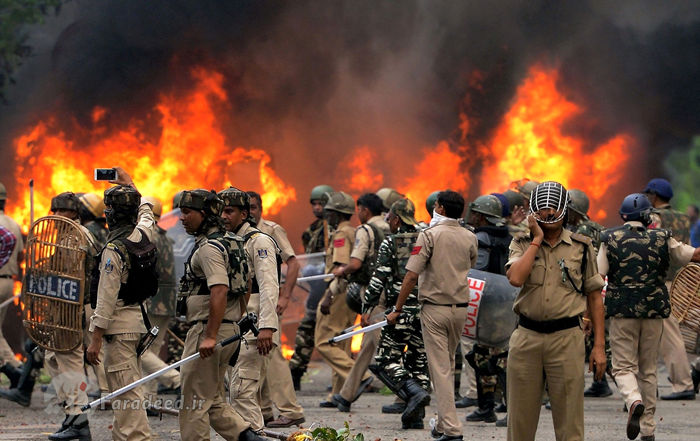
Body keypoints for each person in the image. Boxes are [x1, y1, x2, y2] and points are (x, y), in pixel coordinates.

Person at [505, 181, 606, 441]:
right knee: (520, 425)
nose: (548, 214)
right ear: (533, 211)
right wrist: (536, 240)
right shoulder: (521, 242)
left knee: (570, 424)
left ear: (564, 209)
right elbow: (516, 278)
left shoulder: (582, 247)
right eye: (542, 209)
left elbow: (594, 297)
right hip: (526, 338)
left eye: (553, 208)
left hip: (567, 339)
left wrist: (598, 347)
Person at [598, 193, 700, 441]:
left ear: (623, 216)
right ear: (648, 216)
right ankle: (648, 429)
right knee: (648, 369)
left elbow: (598, 275)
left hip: (622, 312)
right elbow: (693, 255)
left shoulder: (609, 238)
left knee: (622, 366)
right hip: (655, 311)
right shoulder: (663, 237)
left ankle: (633, 400)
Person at [387, 190, 478, 441]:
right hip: (460, 309)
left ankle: (452, 429)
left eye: (437, 205)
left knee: (440, 370)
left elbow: (412, 275)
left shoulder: (429, 236)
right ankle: (440, 424)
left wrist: (397, 309)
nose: (434, 209)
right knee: (446, 364)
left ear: (442, 209)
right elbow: (470, 264)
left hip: (435, 309)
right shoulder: (470, 237)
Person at [176, 188, 263, 441]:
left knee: (193, 402)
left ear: (203, 215)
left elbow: (220, 289)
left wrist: (210, 335)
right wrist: (233, 320)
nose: (182, 218)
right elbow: (246, 284)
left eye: (187, 213)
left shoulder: (209, 248)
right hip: (229, 330)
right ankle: (249, 437)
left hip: (208, 331)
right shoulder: (235, 242)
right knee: (212, 399)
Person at [86, 168, 154, 440]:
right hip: (138, 322)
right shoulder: (143, 235)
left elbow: (105, 299)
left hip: (119, 328)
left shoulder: (114, 250)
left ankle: (137, 437)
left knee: (125, 391)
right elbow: (147, 212)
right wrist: (132, 186)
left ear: (111, 215)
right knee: (128, 385)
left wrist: (95, 339)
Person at [366, 198, 431, 429]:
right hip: (426, 311)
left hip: (400, 311)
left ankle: (413, 394)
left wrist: (368, 307)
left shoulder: (391, 242)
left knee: (385, 359)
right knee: (419, 361)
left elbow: (379, 278)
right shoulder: (427, 237)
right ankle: (416, 418)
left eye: (390, 219)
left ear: (395, 219)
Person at [219, 187, 279, 433]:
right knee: (234, 393)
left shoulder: (259, 241)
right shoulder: (228, 241)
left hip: (252, 328)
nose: (224, 216)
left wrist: (266, 326)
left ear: (244, 214)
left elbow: (268, 286)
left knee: (243, 393)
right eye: (220, 211)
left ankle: (256, 435)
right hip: (233, 328)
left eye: (230, 211)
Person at [42, 192, 99, 440]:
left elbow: (68, 276)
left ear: (75, 213)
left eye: (62, 210)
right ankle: (71, 416)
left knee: (70, 364)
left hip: (72, 309)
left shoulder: (75, 237)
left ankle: (78, 420)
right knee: (53, 360)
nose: (56, 215)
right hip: (65, 309)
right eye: (54, 210)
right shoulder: (67, 235)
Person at [247, 191, 306, 429]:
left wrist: (285, 295)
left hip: (266, 297)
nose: (250, 212)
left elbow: (293, 263)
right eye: (246, 208)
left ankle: (291, 410)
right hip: (245, 299)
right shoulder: (239, 233)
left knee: (272, 353)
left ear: (260, 208)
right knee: (251, 355)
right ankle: (263, 410)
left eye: (253, 207)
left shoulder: (271, 230)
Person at [331, 193, 389, 412]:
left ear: (365, 210)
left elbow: (355, 264)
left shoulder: (365, 230)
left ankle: (410, 393)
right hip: (394, 291)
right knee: (368, 345)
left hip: (374, 293)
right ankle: (346, 395)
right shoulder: (390, 226)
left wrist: (340, 270)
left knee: (382, 344)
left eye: (359, 209)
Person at [643, 178, 696, 400]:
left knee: (669, 333)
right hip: (681, 280)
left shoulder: (654, 217)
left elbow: (649, 245)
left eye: (648, 194)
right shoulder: (684, 217)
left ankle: (683, 384)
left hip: (661, 281)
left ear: (654, 196)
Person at [463, 195, 511, 425]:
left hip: (488, 304)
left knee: (493, 358)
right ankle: (488, 407)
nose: (471, 217)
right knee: (489, 357)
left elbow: (477, 269)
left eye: (474, 213)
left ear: (481, 216)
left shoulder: (481, 238)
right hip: (505, 301)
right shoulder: (508, 236)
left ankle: (495, 408)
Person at [313, 191, 361, 407]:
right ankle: (340, 393)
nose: (326, 215)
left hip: (338, 292)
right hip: (350, 294)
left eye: (329, 212)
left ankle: (359, 376)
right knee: (341, 344)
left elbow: (340, 269)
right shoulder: (353, 231)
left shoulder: (341, 234)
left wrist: (329, 297)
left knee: (323, 341)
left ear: (337, 214)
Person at [566, 189, 612, 398]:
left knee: (586, 339)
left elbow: (581, 262)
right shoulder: (595, 227)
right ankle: (600, 384)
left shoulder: (582, 231)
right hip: (599, 289)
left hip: (589, 290)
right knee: (599, 339)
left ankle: (630, 389)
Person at [290, 184, 334, 389]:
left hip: (333, 289)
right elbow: (310, 258)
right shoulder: (312, 231)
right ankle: (296, 373)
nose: (317, 208)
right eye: (314, 204)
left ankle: (341, 380)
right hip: (316, 288)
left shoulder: (337, 229)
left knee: (334, 335)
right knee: (306, 330)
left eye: (321, 204)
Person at [140, 196, 180, 403]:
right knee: (152, 350)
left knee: (139, 349)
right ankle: (149, 399)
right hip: (167, 299)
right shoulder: (164, 236)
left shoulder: (147, 235)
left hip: (152, 300)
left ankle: (175, 379)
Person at [0, 182, 23, 378]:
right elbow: (21, 256)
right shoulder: (13, 224)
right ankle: (13, 369)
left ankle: (16, 368)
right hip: (8, 283)